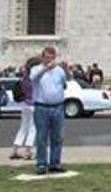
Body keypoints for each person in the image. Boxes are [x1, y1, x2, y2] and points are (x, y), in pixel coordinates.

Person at [30, 46, 68, 174]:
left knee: (58, 136)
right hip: (42, 107)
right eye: (47, 57)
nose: (50, 60)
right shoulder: (37, 69)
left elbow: (64, 84)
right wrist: (45, 69)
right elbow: (32, 79)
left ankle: (55, 163)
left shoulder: (59, 71)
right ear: (43, 57)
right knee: (42, 137)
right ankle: (41, 164)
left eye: (52, 57)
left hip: (58, 106)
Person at [10, 56, 41, 160]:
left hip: (24, 104)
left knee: (23, 127)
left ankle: (15, 150)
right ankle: (28, 151)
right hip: (33, 104)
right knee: (33, 128)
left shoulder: (24, 77)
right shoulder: (35, 78)